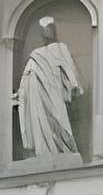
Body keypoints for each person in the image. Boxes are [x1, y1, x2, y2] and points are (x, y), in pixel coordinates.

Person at [15, 15, 81, 159]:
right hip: (38, 96)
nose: (47, 33)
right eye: (44, 31)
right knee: (40, 122)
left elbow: (70, 69)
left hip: (54, 92)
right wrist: (20, 92)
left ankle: (64, 150)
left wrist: (74, 85)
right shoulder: (36, 54)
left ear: (53, 31)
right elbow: (27, 74)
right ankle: (44, 152)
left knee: (60, 121)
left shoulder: (60, 48)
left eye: (49, 30)